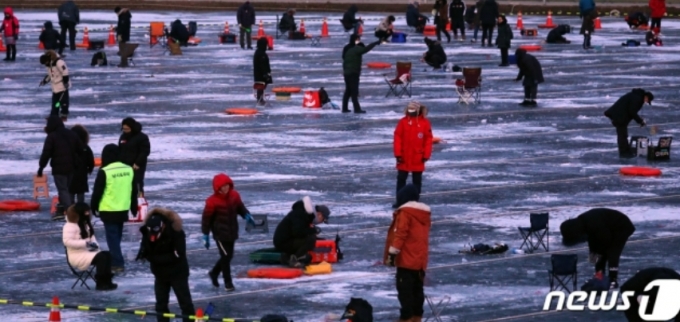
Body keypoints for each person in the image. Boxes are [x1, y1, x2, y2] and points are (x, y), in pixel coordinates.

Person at [137, 208, 195, 322]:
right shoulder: (147, 232)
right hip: (160, 275)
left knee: (185, 303)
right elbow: (146, 252)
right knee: (161, 305)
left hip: (178, 273)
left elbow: (179, 254)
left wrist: (155, 258)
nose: (154, 235)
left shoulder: (176, 232)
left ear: (163, 226)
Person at [384, 184, 431, 322]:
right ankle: (417, 317)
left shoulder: (405, 213)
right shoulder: (424, 215)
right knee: (417, 289)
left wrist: (392, 254)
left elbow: (400, 235)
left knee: (405, 291)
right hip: (420, 260)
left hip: (406, 259)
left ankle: (407, 318)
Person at [201, 173, 255, 292]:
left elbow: (240, 208)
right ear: (217, 188)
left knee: (228, 256)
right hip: (220, 234)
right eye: (222, 186)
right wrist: (205, 234)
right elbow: (206, 219)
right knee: (225, 257)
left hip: (232, 231)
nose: (225, 188)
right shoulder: (212, 202)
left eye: (227, 185)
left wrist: (246, 215)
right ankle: (228, 282)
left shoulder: (234, 196)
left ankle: (214, 273)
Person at [560, 208, 636, 289]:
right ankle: (599, 277)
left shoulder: (593, 224)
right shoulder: (584, 224)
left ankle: (613, 280)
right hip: (608, 229)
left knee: (612, 252)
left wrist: (597, 256)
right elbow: (592, 243)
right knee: (599, 254)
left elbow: (605, 241)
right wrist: (593, 257)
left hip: (621, 226)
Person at [91, 144, 138, 273]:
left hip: (108, 209)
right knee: (116, 237)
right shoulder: (128, 169)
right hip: (123, 208)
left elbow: (98, 191)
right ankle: (116, 260)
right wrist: (134, 206)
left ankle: (117, 263)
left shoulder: (105, 171)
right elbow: (134, 190)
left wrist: (93, 206)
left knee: (112, 238)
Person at [63, 202, 117, 290]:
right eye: (86, 212)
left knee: (107, 254)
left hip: (88, 251)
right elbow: (67, 242)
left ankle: (107, 281)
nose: (88, 214)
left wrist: (95, 246)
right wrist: (85, 244)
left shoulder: (85, 224)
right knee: (101, 258)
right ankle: (100, 283)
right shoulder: (69, 226)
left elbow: (92, 239)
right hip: (76, 255)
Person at [38, 115, 83, 221]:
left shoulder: (52, 136)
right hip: (72, 167)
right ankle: (66, 210)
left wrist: (41, 167)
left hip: (59, 168)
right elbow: (81, 149)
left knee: (63, 190)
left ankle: (70, 212)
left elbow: (46, 153)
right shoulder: (72, 134)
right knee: (67, 189)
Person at [393, 102, 433, 208]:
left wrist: (426, 155)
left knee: (417, 180)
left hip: (418, 157)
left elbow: (428, 140)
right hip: (404, 157)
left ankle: (415, 201)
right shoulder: (402, 122)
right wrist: (398, 154)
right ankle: (400, 201)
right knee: (401, 179)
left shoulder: (425, 123)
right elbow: (397, 138)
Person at [273, 196, 330, 268]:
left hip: (288, 239)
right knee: (311, 239)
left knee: (308, 257)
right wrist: (313, 231)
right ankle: (294, 259)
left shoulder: (307, 215)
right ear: (319, 214)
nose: (321, 222)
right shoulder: (301, 213)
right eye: (323, 220)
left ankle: (287, 257)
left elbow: (302, 232)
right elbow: (298, 232)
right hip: (282, 242)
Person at [604, 89, 653, 158]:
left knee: (623, 134)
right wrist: (640, 121)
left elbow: (631, 111)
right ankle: (624, 153)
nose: (646, 102)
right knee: (622, 135)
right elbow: (632, 111)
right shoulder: (637, 98)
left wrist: (640, 121)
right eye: (648, 101)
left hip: (620, 115)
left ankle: (626, 151)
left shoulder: (637, 97)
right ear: (646, 97)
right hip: (619, 115)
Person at [342, 35, 380, 114]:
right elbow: (366, 49)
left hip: (346, 73)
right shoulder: (356, 49)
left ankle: (344, 108)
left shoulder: (348, 49)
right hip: (353, 73)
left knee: (348, 91)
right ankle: (357, 109)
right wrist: (375, 43)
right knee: (354, 92)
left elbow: (344, 59)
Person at [118, 117, 151, 193]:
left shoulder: (142, 137)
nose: (125, 131)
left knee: (137, 184)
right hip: (124, 166)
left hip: (136, 166)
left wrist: (137, 163)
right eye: (124, 129)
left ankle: (139, 200)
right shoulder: (123, 137)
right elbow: (120, 149)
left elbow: (145, 151)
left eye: (127, 129)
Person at [39, 50, 70, 119]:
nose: (45, 64)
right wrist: (44, 81)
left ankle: (64, 115)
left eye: (45, 62)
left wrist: (65, 83)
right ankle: (54, 116)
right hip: (55, 86)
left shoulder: (59, 62)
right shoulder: (49, 65)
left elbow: (65, 72)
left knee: (63, 102)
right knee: (55, 103)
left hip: (62, 86)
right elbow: (50, 75)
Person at [69, 124, 94, 204]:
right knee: (80, 194)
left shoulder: (68, 147)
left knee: (70, 193)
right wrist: (89, 169)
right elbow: (91, 161)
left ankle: (70, 210)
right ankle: (80, 210)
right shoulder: (86, 148)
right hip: (82, 174)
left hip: (70, 174)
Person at [253, 37, 271, 106]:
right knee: (261, 86)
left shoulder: (258, 52)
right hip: (261, 75)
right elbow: (263, 65)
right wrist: (266, 74)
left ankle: (260, 98)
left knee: (260, 87)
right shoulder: (261, 54)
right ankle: (260, 99)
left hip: (258, 74)